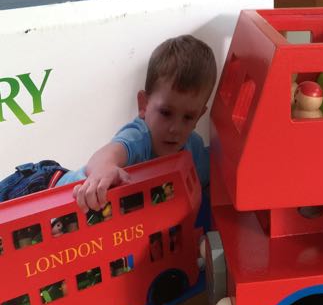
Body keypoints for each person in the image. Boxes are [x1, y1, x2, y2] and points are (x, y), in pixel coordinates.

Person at [56, 35, 217, 212]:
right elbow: (108, 154)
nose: (175, 129)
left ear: (199, 116)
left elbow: (214, 173)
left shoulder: (193, 148)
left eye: (188, 117)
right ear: (144, 105)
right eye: (165, 113)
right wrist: (105, 168)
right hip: (55, 190)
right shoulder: (138, 137)